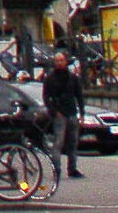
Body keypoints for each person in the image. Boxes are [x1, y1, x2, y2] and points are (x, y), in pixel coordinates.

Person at [43, 50, 85, 179]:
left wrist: (82, 113)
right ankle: (57, 169)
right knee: (58, 143)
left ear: (66, 62)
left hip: (72, 112)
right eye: (57, 61)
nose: (60, 63)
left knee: (73, 142)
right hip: (59, 114)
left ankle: (72, 169)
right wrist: (54, 112)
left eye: (62, 60)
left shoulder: (73, 78)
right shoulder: (50, 78)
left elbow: (79, 95)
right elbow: (46, 97)